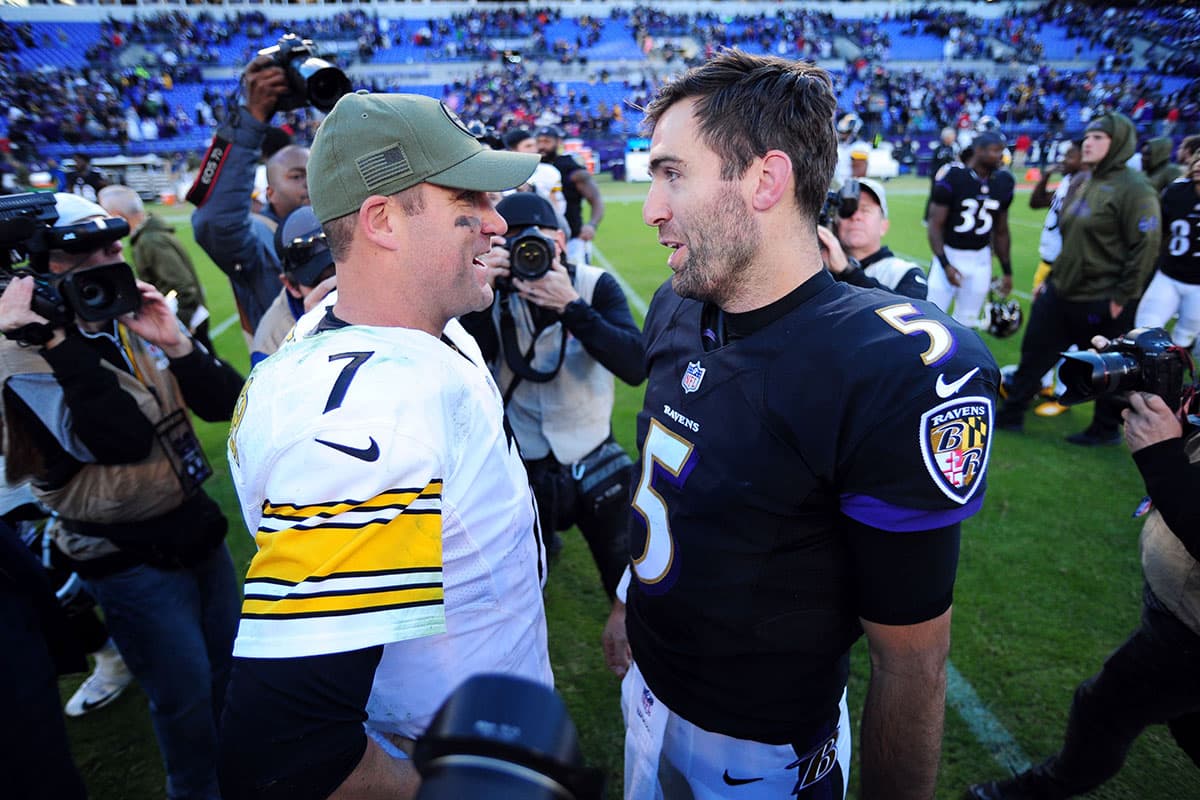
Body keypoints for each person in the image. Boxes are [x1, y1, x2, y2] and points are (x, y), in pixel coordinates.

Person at [603, 51, 1000, 800]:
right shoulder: (676, 304)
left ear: (765, 179)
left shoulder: (888, 365)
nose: (652, 206)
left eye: (672, 174)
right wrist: (632, 596)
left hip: (759, 751)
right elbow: (665, 484)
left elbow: (911, 661)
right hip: (649, 689)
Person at [218, 92, 554, 800]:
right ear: (382, 219)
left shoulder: (410, 335)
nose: (497, 222)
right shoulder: (370, 409)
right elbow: (286, 748)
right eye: (470, 197)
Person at [0, 193, 244, 800]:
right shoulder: (16, 352)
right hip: (126, 555)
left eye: (114, 247)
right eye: (84, 253)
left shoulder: (127, 313)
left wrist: (180, 345)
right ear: (33, 271)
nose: (112, 264)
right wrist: (57, 341)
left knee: (234, 675)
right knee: (184, 698)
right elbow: (121, 441)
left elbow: (231, 405)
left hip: (193, 526)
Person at [967, 341, 1200, 800]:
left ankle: (1040, 791)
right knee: (1186, 716)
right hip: (1180, 603)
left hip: (1191, 628)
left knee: (1103, 708)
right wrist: (1151, 381)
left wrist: (1161, 457)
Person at [460, 192, 645, 598]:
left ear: (561, 242)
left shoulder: (593, 285)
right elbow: (467, 370)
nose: (531, 253)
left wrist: (573, 307)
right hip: (524, 457)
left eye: (540, 241)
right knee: (523, 582)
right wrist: (475, 298)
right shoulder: (489, 292)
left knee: (625, 579)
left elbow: (635, 366)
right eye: (517, 244)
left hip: (591, 447)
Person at [997, 113, 1162, 445]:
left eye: (1099, 137)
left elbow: (1146, 246)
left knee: (1107, 367)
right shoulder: (1085, 180)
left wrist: (1122, 297)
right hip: (1061, 289)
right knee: (1035, 352)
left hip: (1102, 297)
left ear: (1119, 144)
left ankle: (1104, 430)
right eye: (1087, 136)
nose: (1088, 142)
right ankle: (1012, 413)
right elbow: (1071, 240)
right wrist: (1053, 277)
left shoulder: (1135, 189)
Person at [190, 53, 312, 339]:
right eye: (296, 176)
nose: (309, 183)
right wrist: (250, 121)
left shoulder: (335, 223)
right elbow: (216, 223)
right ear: (270, 193)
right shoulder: (258, 236)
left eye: (313, 172)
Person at [99, 184, 215, 354]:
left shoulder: (151, 241)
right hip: (182, 318)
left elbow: (183, 286)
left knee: (204, 372)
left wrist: (181, 324)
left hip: (186, 321)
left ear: (117, 216)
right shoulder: (148, 237)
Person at [927, 129, 1015, 327]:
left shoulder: (1003, 182)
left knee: (968, 322)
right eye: (996, 151)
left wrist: (1007, 271)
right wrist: (945, 264)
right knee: (931, 320)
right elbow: (935, 225)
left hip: (980, 259)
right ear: (979, 151)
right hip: (951, 254)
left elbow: (1001, 230)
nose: (1001, 156)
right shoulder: (954, 176)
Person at [249, 205, 337, 365]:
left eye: (340, 275)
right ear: (291, 286)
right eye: (318, 283)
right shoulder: (270, 346)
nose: (335, 289)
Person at [817, 177, 929, 299]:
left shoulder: (903, 272)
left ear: (884, 226)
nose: (855, 217)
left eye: (865, 210)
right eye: (847, 210)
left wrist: (847, 271)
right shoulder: (817, 267)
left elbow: (910, 310)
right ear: (835, 222)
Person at [1135, 152, 1200, 348]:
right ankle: (1149, 370)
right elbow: (1159, 230)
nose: (1198, 165)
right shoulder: (1177, 191)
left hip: (1199, 285)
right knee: (1145, 329)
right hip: (1169, 275)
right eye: (1197, 160)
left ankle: (1175, 371)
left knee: (1185, 335)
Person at [536, 126, 605, 265]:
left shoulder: (571, 169)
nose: (542, 146)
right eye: (539, 141)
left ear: (558, 142)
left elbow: (596, 199)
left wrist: (591, 225)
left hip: (572, 238)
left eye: (547, 141)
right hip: (541, 237)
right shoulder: (532, 166)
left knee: (577, 281)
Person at [502, 127, 568, 226]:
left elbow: (556, 207)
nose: (534, 149)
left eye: (535, 145)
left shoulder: (550, 171)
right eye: (528, 146)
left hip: (545, 224)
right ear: (513, 150)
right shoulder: (502, 175)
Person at [924, 126, 959, 221]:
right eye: (952, 136)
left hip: (950, 177)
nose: (954, 137)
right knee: (934, 196)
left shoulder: (954, 148)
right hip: (938, 176)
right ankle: (927, 218)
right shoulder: (939, 148)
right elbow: (936, 164)